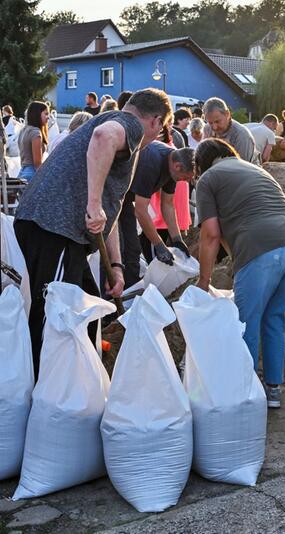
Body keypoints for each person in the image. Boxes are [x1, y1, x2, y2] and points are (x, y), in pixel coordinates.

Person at [14, 88, 172, 373]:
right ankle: (46, 387)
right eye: (160, 131)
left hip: (53, 227)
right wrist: (93, 204)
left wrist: (116, 265)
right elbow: (104, 138)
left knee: (88, 305)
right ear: (156, 121)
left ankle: (83, 381)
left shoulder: (121, 137)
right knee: (53, 312)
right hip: (55, 227)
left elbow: (111, 207)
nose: (157, 138)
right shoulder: (128, 125)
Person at [194, 139, 285, 409]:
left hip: (261, 248)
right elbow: (230, 229)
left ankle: (243, 394)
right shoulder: (255, 169)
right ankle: (272, 392)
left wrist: (203, 280)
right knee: (274, 317)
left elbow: (210, 233)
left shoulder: (208, 179)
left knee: (246, 321)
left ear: (201, 163)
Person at [119, 142, 196, 286]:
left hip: (125, 201)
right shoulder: (152, 164)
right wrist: (159, 245)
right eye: (186, 177)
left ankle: (130, 292)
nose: (186, 182)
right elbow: (141, 211)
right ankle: (112, 295)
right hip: (111, 198)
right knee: (119, 250)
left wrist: (177, 239)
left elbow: (167, 204)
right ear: (177, 166)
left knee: (132, 250)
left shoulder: (173, 166)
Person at [202, 97, 258, 163]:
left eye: (217, 121)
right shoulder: (207, 129)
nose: (214, 127)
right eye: (210, 123)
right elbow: (203, 157)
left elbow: (242, 168)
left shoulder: (242, 136)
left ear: (227, 114)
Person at [17, 101, 49, 180]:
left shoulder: (23, 130)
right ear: (37, 114)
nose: (48, 117)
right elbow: (37, 162)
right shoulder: (35, 132)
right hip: (32, 173)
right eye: (46, 114)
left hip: (22, 171)